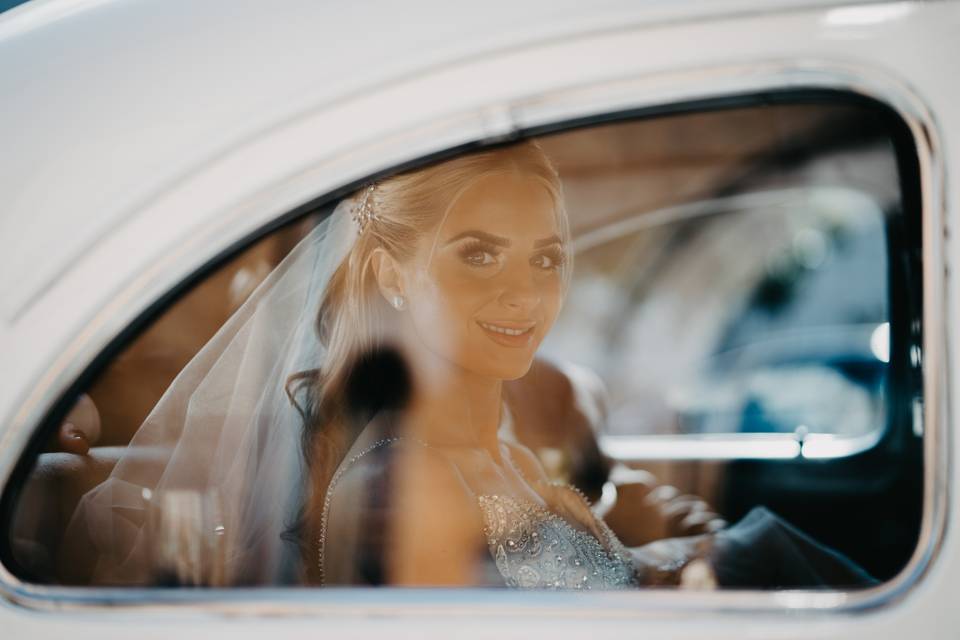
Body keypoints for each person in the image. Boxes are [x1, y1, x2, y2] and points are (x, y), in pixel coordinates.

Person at [60, 140, 875, 589]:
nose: (524, 293)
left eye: (547, 260)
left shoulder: (505, 445)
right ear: (390, 275)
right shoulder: (394, 487)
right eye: (479, 255)